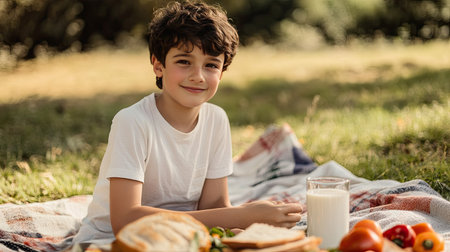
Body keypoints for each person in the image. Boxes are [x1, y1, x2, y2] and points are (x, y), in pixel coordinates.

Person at [73, 0, 302, 245]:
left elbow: (213, 205)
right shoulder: (133, 122)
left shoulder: (216, 120)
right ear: (158, 65)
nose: (198, 76)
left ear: (222, 72)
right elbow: (126, 220)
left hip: (185, 238)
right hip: (111, 242)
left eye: (211, 65)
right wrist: (241, 215)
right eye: (184, 61)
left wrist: (244, 224)